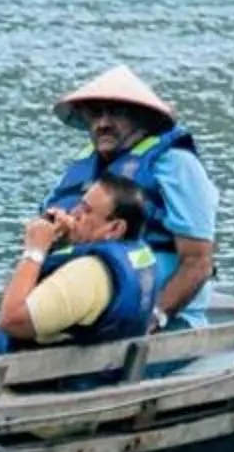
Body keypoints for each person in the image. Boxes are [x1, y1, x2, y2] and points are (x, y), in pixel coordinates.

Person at [40, 65, 218, 326]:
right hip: (90, 312)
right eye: (95, 113)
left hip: (168, 320)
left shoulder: (176, 164)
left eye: (116, 113)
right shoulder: (85, 163)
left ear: (142, 118)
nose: (103, 123)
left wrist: (155, 318)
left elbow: (197, 262)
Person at [0, 178, 161, 352]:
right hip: (102, 374)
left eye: (86, 210)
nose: (74, 213)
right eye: (79, 205)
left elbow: (11, 321)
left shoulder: (88, 273)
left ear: (115, 228)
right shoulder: (138, 258)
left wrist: (34, 250)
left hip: (29, 376)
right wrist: (59, 245)